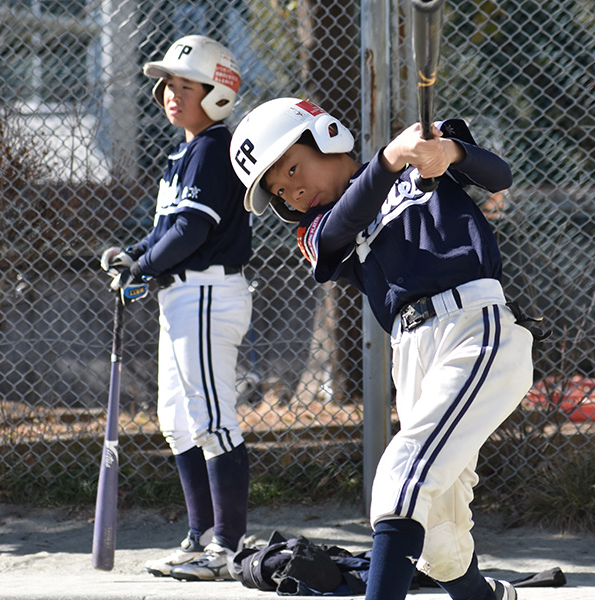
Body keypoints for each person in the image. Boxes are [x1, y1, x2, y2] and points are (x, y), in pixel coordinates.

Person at [229, 97, 540, 600]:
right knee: (437, 536)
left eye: (292, 168)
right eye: (280, 189)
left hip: (474, 328)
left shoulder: (417, 156)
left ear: (326, 136)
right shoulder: (320, 228)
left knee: (401, 479)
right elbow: (340, 226)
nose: (293, 190)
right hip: (411, 350)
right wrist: (391, 159)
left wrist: (449, 153)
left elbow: (499, 176)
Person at [99, 34, 252, 582]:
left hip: (208, 293)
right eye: (168, 84)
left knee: (211, 419)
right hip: (184, 297)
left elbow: (191, 231)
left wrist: (144, 267)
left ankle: (227, 547)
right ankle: (201, 536)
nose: (171, 93)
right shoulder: (187, 153)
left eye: (187, 85)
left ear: (217, 94)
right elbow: (169, 229)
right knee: (178, 421)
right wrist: (134, 255)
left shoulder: (212, 148)